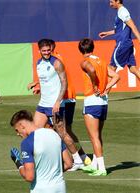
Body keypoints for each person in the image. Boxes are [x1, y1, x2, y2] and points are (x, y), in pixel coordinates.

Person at [27, 39, 86, 171]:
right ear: (39, 51)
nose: (47, 53)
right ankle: (37, 160)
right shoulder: (38, 63)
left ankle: (77, 160)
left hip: (55, 105)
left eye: (48, 50)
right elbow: (47, 80)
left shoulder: (57, 63)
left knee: (63, 133)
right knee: (34, 132)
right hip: (42, 104)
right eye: (44, 51)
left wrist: (58, 101)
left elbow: (64, 83)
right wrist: (36, 84)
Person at [78, 38, 119, 176]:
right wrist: (107, 87)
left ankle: (101, 168)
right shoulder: (100, 61)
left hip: (92, 101)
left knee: (94, 136)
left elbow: (91, 71)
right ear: (92, 48)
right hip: (103, 102)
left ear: (81, 50)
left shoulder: (85, 62)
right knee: (97, 135)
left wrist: (95, 86)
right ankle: (95, 164)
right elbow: (116, 76)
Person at [10, 110, 72, 193]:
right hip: (60, 187)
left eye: (17, 130)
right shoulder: (54, 134)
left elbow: (29, 177)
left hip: (41, 189)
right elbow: (69, 163)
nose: (18, 134)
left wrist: (18, 163)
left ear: (22, 125)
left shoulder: (27, 142)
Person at [98, 0, 140, 80]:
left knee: (111, 68)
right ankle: (104, 92)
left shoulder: (123, 12)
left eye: (112, 2)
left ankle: (104, 92)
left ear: (118, 1)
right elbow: (119, 29)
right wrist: (107, 33)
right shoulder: (120, 12)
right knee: (133, 69)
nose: (110, 4)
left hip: (123, 44)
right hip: (127, 44)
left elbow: (133, 26)